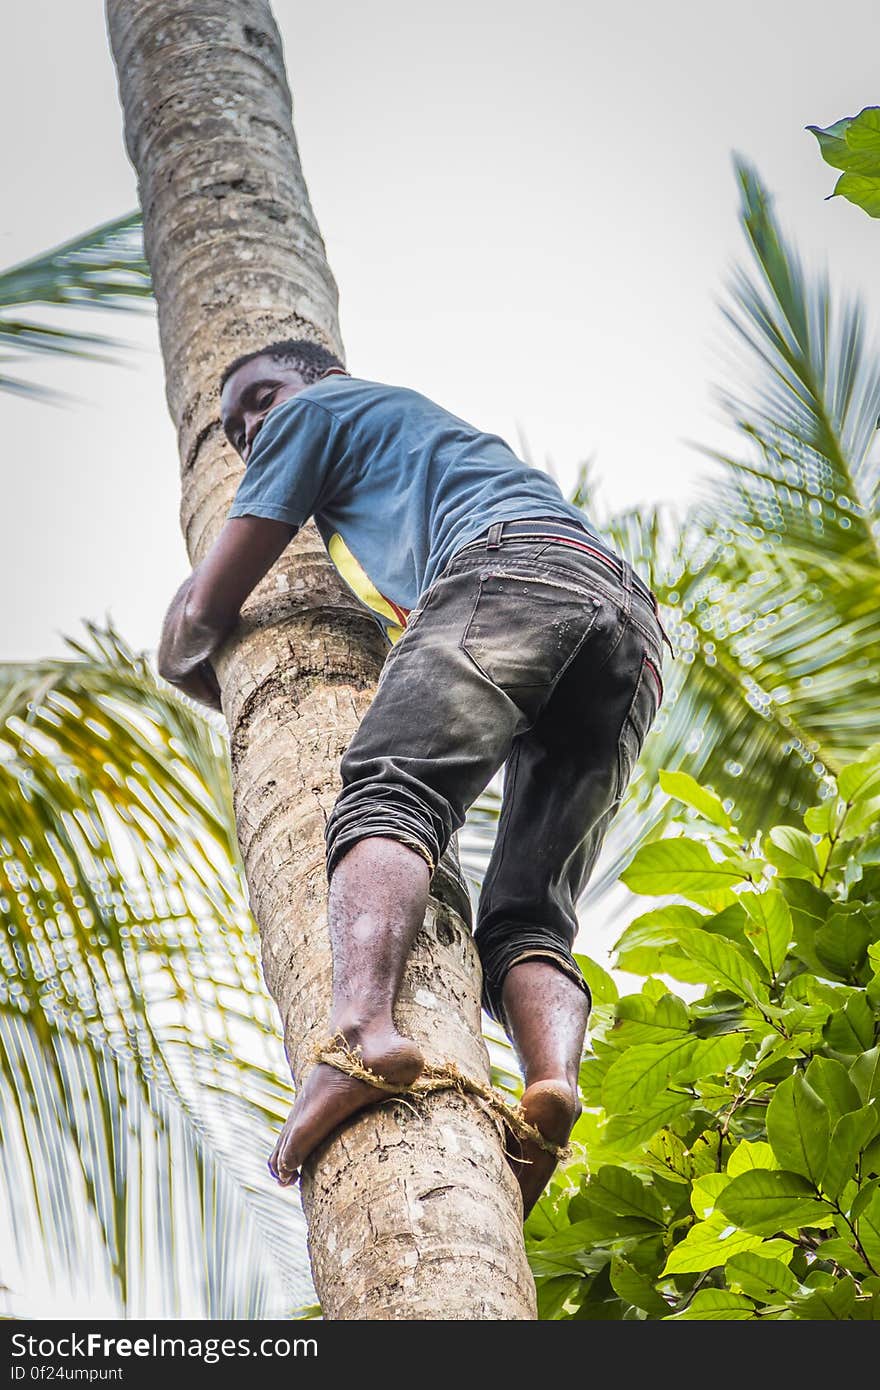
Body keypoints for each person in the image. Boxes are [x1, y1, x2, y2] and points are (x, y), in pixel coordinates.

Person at [157, 338, 671, 1216]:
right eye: (237, 424)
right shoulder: (419, 446)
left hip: (510, 572)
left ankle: (360, 1034)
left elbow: (206, 613)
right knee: (526, 913)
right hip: (630, 630)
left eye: (261, 397)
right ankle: (550, 1087)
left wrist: (178, 653)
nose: (251, 425)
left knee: (390, 795)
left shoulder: (317, 413)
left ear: (319, 381)